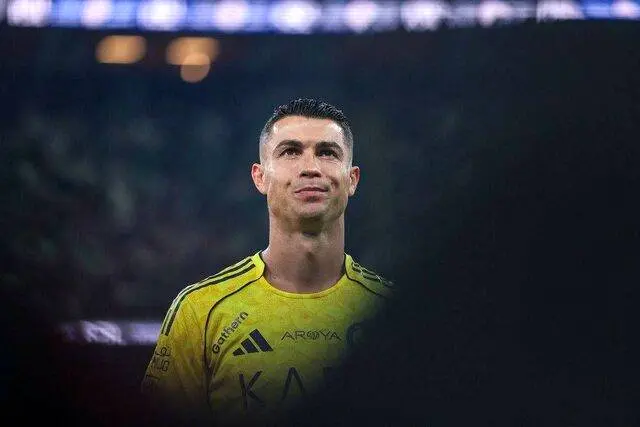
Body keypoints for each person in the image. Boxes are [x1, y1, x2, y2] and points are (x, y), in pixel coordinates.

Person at [140, 98, 394, 426]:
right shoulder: (201, 311)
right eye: (290, 151)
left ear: (352, 179)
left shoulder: (391, 309)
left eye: (327, 153)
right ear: (260, 177)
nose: (310, 167)